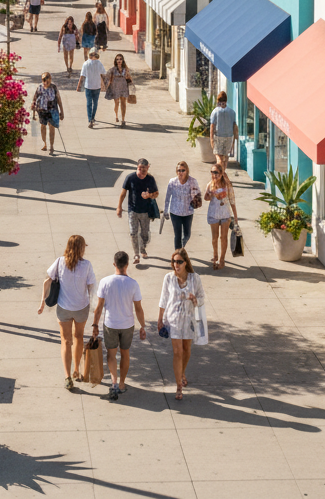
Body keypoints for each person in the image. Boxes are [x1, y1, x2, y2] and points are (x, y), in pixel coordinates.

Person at [37, 235, 96, 390]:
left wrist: (42, 301)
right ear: (81, 248)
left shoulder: (59, 262)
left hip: (63, 308)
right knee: (78, 337)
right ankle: (77, 369)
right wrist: (94, 306)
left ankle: (67, 376)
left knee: (65, 341)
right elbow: (91, 287)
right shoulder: (87, 265)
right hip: (81, 307)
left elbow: (47, 281)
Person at [92, 251, 146, 399]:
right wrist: (143, 326)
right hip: (127, 324)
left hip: (110, 324)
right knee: (125, 353)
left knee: (111, 354)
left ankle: (114, 382)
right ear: (127, 265)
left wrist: (95, 325)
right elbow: (138, 308)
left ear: (114, 264)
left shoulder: (105, 282)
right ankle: (122, 383)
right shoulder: (133, 284)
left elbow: (99, 307)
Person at [157, 249, 206, 401]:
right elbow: (163, 299)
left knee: (187, 350)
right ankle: (178, 385)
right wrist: (160, 319)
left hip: (189, 320)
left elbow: (202, 297)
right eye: (173, 262)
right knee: (177, 352)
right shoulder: (168, 278)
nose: (175, 265)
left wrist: (194, 299)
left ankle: (182, 372)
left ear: (185, 263)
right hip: (174, 320)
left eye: (179, 262)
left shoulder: (194, 278)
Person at [116, 158, 159, 264]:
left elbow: (156, 193)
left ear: (148, 168)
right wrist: (119, 207)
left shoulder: (150, 179)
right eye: (140, 168)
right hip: (132, 210)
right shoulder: (130, 177)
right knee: (133, 233)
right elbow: (123, 193)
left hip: (145, 211)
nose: (141, 171)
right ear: (137, 167)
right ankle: (136, 254)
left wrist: (149, 195)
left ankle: (143, 248)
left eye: (144, 169)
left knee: (145, 234)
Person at [204, 166, 238, 269]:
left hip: (225, 214)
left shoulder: (227, 185)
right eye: (212, 172)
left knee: (223, 238)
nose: (214, 175)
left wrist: (235, 217)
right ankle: (215, 255)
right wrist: (211, 194)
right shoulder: (210, 184)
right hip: (213, 214)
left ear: (222, 173)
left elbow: (232, 200)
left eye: (216, 172)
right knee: (214, 238)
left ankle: (222, 258)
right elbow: (206, 198)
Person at [164, 160, 201, 250]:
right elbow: (168, 197)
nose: (180, 172)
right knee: (177, 235)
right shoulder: (172, 182)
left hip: (188, 212)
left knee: (187, 234)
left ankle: (182, 247)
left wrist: (195, 195)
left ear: (187, 171)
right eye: (178, 170)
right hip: (175, 212)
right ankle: (177, 254)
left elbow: (198, 194)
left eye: (183, 170)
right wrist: (166, 211)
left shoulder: (192, 181)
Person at [31, 72, 65, 153]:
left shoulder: (54, 87)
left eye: (47, 81)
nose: (45, 83)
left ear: (50, 80)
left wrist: (62, 112)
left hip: (52, 110)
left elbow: (59, 100)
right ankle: (45, 143)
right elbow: (34, 99)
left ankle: (51, 146)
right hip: (42, 110)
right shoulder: (39, 87)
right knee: (43, 126)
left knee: (51, 127)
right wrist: (33, 111)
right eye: (44, 81)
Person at [77, 48, 107, 128]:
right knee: (95, 102)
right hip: (97, 86)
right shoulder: (99, 63)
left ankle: (90, 119)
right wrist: (105, 85)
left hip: (88, 86)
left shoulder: (86, 63)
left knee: (89, 103)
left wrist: (79, 86)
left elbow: (82, 76)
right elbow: (104, 74)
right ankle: (92, 118)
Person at [209, 91, 239, 169]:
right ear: (226, 100)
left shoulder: (215, 112)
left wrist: (211, 139)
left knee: (218, 156)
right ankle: (222, 174)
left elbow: (212, 126)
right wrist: (234, 140)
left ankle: (219, 173)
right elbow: (234, 126)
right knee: (225, 158)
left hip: (218, 136)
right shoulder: (232, 112)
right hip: (229, 137)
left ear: (218, 101)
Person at [105, 53, 133, 126]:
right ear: (115, 61)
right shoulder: (112, 69)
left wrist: (128, 78)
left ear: (123, 60)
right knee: (116, 103)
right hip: (115, 88)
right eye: (117, 59)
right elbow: (107, 78)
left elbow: (129, 78)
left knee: (123, 103)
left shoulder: (126, 69)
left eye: (120, 59)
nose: (119, 61)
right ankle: (116, 115)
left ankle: (123, 120)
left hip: (124, 87)